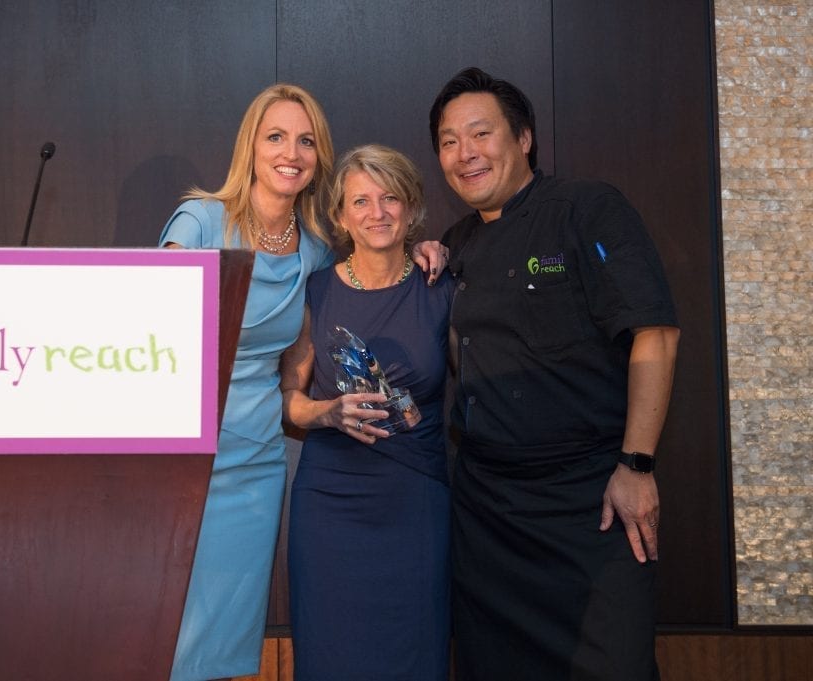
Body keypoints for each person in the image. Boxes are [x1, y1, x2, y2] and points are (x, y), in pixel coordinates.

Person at [159, 85, 446, 681]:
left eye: (306, 140)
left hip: (257, 459)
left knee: (223, 641)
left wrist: (424, 245)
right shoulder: (201, 220)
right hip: (187, 451)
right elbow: (157, 328)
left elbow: (368, 265)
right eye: (276, 136)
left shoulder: (313, 254)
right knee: (167, 632)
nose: (291, 152)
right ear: (252, 148)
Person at [430, 67, 680, 680]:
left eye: (481, 133)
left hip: (590, 500)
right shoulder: (455, 242)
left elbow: (656, 332)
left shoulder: (588, 209)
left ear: (524, 139)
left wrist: (637, 464)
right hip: (488, 512)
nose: (466, 154)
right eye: (448, 141)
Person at [280, 144, 453, 681]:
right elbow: (289, 402)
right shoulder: (317, 290)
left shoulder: (442, 286)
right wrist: (328, 413)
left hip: (415, 499)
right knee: (331, 652)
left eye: (390, 198)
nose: (376, 213)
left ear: (412, 208)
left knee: (415, 648)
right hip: (331, 502)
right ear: (340, 216)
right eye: (361, 201)